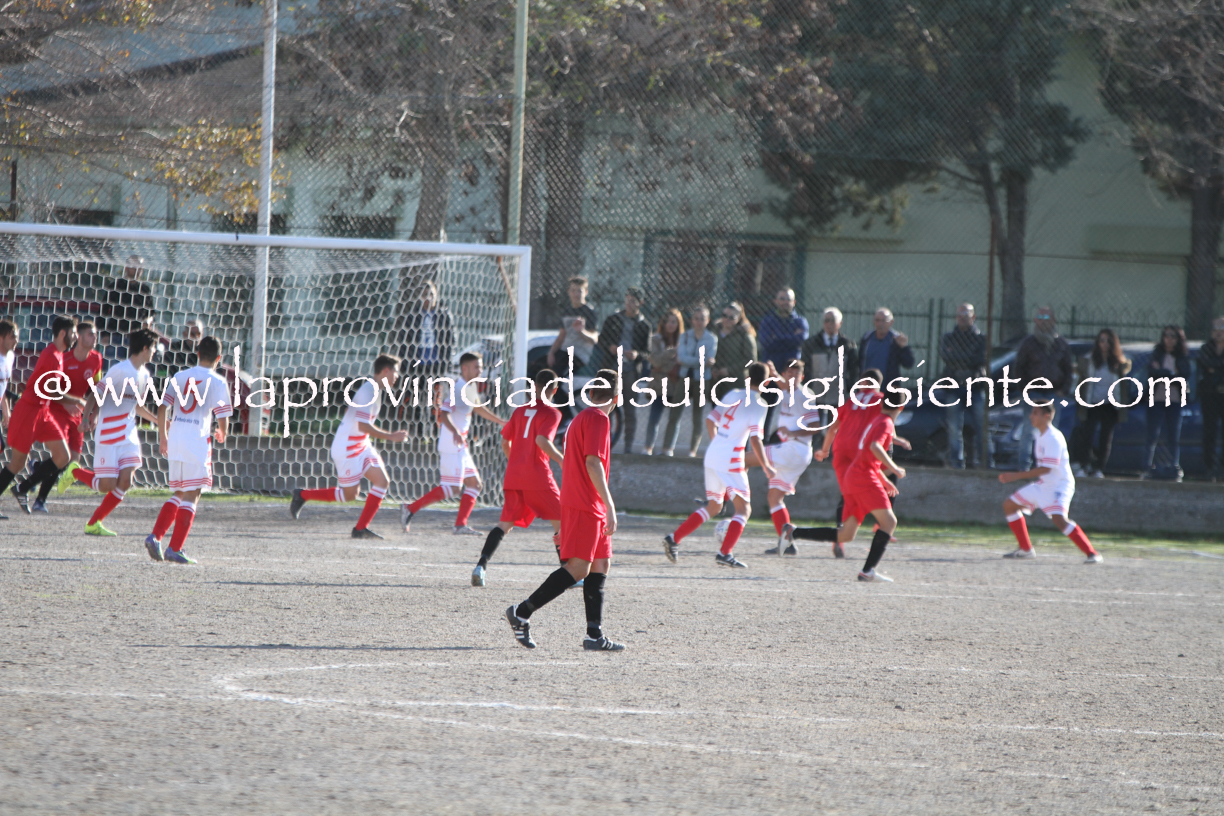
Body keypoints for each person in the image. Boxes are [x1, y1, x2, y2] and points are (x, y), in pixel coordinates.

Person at [505, 369, 625, 652]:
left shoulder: (580, 417)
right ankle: (521, 612)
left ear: (591, 393)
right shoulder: (598, 418)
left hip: (584, 502)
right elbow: (592, 463)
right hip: (586, 503)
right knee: (578, 568)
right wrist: (610, 505)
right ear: (617, 398)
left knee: (600, 564)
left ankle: (594, 635)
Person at [662, 362, 777, 568]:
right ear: (767, 382)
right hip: (730, 458)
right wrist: (766, 466)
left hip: (713, 453)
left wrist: (719, 444)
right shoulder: (760, 403)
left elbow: (710, 420)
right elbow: (755, 439)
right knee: (743, 509)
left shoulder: (733, 394)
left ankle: (673, 538)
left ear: (747, 378)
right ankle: (725, 553)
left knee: (714, 506)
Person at [288, 354, 409, 539]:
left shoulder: (373, 389)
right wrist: (391, 436)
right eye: (396, 372)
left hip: (361, 444)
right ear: (386, 371)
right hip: (347, 448)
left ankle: (360, 529)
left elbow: (355, 416)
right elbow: (363, 426)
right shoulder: (369, 391)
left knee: (382, 481)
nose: (397, 377)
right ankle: (303, 495)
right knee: (350, 495)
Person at [143, 335, 233, 564]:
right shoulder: (218, 381)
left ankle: (156, 536)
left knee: (179, 492)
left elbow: (163, 407)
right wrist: (222, 431)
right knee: (193, 493)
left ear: (198, 354)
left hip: (176, 438)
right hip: (196, 440)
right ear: (219, 359)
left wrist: (163, 437)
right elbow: (222, 415)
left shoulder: (180, 376)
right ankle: (175, 548)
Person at [472, 368, 566, 587]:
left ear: (534, 387)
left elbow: (505, 442)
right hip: (538, 476)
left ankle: (481, 566)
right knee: (563, 521)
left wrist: (515, 461)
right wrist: (562, 459)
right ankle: (567, 572)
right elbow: (542, 441)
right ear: (555, 390)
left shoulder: (520, 411)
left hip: (514, 476)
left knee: (504, 524)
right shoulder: (552, 413)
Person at [64, 329, 160, 537]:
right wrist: (86, 419)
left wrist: (158, 421)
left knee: (126, 481)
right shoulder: (119, 370)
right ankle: (74, 472)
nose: (155, 352)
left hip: (128, 435)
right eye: (153, 348)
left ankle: (94, 522)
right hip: (108, 433)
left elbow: (138, 406)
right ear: (145, 348)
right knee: (106, 485)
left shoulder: (145, 375)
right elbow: (95, 394)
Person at [401, 352, 507, 534]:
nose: (480, 370)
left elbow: (478, 408)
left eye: (481, 367)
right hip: (451, 443)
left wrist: (501, 422)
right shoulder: (458, 389)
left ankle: (460, 525)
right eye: (476, 367)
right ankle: (410, 508)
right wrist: (456, 432)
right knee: (453, 488)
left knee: (474, 484)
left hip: (460, 445)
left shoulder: (470, 387)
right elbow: (444, 413)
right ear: (465, 368)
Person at [12, 320, 105, 513]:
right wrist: (67, 403)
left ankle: (37, 469)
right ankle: (40, 500)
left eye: (96, 334)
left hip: (77, 414)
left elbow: (97, 390)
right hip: (56, 411)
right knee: (63, 456)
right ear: (78, 337)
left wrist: (94, 414)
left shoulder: (97, 359)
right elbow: (51, 390)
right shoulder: (64, 358)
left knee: (72, 462)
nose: (95, 338)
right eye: (90, 334)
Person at [0, 316, 87, 516]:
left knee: (63, 456)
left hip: (42, 411)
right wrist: (77, 401)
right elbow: (52, 391)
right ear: (63, 333)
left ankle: (22, 488)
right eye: (74, 333)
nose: (76, 337)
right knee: (17, 463)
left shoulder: (58, 354)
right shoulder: (51, 355)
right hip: (29, 411)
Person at [999, 404, 1103, 564]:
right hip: (1044, 484)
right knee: (1009, 505)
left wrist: (1016, 476)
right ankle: (1025, 549)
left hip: (1060, 485)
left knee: (1059, 519)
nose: (1031, 416)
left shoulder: (1053, 437)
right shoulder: (1040, 435)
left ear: (1046, 416)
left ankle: (1092, 553)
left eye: (1035, 413)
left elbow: (1047, 468)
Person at [746, 360, 823, 554]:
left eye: (796, 374)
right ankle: (788, 544)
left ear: (802, 377)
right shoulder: (787, 389)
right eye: (789, 373)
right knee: (774, 498)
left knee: (744, 458)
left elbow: (816, 426)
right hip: (794, 452)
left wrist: (792, 432)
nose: (792, 377)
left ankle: (721, 500)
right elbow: (782, 383)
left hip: (794, 449)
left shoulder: (804, 395)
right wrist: (773, 373)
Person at [1014, 306, 1073, 471]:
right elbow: (1019, 367)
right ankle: (1024, 466)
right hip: (1033, 393)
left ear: (1053, 321)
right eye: (1039, 317)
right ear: (1035, 320)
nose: (1043, 321)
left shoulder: (1061, 344)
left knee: (1051, 431)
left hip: (1054, 393)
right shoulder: (1028, 343)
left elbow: (1068, 369)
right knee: (1028, 429)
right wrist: (1024, 389)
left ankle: (1048, 466)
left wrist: (1063, 390)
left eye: (1046, 318)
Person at [595, 287, 650, 453]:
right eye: (627, 300)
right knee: (607, 408)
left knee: (629, 410)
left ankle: (628, 447)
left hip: (630, 371)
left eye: (633, 301)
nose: (629, 304)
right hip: (611, 369)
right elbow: (601, 340)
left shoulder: (644, 325)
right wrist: (610, 347)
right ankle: (603, 446)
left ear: (640, 303)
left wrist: (637, 355)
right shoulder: (613, 319)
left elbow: (647, 352)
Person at [1072, 329, 1131, 478]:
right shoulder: (1089, 361)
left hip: (1110, 405)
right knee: (1087, 435)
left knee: (1105, 439)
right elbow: (1081, 383)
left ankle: (1099, 468)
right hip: (1091, 404)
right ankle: (1084, 465)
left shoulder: (1119, 363)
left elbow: (1122, 386)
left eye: (1108, 341)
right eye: (1102, 341)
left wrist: (1120, 408)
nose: (1104, 344)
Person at [939, 303, 990, 469]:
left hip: (975, 385)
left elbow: (980, 359)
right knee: (954, 427)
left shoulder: (981, 338)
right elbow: (946, 357)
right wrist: (967, 359)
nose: (962, 319)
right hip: (954, 385)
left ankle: (986, 462)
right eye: (959, 316)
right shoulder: (948, 337)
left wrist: (958, 358)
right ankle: (956, 463)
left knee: (982, 425)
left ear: (973, 317)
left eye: (966, 316)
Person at [1142, 325, 1191, 480]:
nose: (1169, 339)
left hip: (1175, 400)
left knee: (1173, 435)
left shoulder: (1182, 357)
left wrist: (1163, 373)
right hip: (1156, 398)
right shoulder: (1157, 354)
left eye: (1172, 336)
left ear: (1178, 340)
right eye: (1166, 336)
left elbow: (1183, 376)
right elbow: (1152, 373)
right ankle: (1147, 466)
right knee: (1152, 434)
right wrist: (1170, 374)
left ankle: (1174, 466)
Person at [758, 288, 809, 436]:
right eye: (781, 299)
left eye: (788, 299)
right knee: (765, 410)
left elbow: (801, 340)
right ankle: (761, 443)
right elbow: (766, 343)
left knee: (792, 411)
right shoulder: (768, 321)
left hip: (791, 375)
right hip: (770, 373)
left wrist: (777, 337)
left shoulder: (800, 321)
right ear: (775, 301)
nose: (785, 302)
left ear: (794, 302)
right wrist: (791, 338)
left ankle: (789, 441)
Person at [671, 305, 718, 457]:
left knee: (697, 416)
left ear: (707, 320)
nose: (699, 322)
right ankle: (667, 448)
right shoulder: (684, 336)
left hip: (702, 380)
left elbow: (709, 359)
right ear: (692, 320)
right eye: (696, 319)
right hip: (684, 377)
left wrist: (690, 361)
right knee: (674, 413)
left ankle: (692, 450)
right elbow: (681, 358)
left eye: (702, 319)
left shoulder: (711, 338)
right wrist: (701, 362)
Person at [642, 308, 684, 456]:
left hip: (676, 384)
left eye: (674, 322)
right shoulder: (655, 339)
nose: (670, 325)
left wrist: (663, 365)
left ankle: (668, 449)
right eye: (668, 321)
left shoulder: (684, 340)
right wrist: (671, 353)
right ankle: (648, 447)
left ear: (678, 324)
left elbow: (682, 363)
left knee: (674, 419)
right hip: (659, 385)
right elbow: (655, 361)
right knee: (654, 417)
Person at [801, 306, 858, 407]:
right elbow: (805, 367)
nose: (829, 324)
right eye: (826, 320)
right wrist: (809, 387)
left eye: (833, 321)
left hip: (839, 395)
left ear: (840, 323)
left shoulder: (848, 345)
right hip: (816, 394)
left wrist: (849, 389)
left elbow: (853, 370)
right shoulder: (811, 344)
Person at [399, 281, 454, 378]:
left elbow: (451, 340)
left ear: (436, 295)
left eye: (431, 294)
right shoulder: (413, 317)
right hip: (417, 366)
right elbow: (404, 341)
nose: (428, 297)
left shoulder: (443, 316)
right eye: (425, 295)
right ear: (420, 297)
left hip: (437, 365)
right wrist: (406, 364)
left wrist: (447, 361)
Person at [546, 276, 599, 370]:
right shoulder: (566, 312)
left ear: (586, 292)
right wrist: (551, 353)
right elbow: (561, 336)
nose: (576, 294)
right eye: (573, 290)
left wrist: (581, 331)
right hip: (564, 352)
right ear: (569, 292)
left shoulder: (590, 312)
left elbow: (594, 339)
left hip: (578, 355)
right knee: (538, 367)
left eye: (579, 291)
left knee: (557, 372)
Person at [713, 301, 758, 401]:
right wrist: (713, 368)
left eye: (731, 317)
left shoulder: (745, 335)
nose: (727, 319)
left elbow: (751, 360)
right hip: (716, 382)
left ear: (739, 318)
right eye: (724, 315)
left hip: (736, 383)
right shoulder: (714, 331)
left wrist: (730, 370)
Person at [858, 307, 914, 385]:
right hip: (867, 388)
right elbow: (859, 363)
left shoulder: (896, 340)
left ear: (891, 322)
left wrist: (904, 348)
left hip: (888, 388)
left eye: (883, 321)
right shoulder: (867, 338)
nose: (880, 324)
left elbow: (908, 364)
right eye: (877, 320)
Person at [101, 255, 154, 336]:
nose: (137, 270)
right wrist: (104, 335)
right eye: (134, 266)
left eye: (140, 267)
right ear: (126, 267)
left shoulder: (145, 290)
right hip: (116, 334)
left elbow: (151, 313)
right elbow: (103, 311)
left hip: (136, 336)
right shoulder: (116, 286)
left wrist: (148, 321)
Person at [1200, 317, 1224, 482]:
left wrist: (1214, 368)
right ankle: (1209, 468)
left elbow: (1212, 366)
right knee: (1209, 432)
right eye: (1216, 330)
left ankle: (1222, 469)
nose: (1218, 334)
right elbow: (1205, 364)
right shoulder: (1206, 348)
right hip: (1209, 394)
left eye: (1221, 331)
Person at [0, 319, 17, 472]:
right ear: (1, 338)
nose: (16, 340)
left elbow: (3, 386)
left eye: (16, 337)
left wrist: (6, 411)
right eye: (12, 337)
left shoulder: (10, 356)